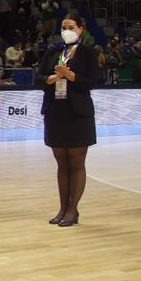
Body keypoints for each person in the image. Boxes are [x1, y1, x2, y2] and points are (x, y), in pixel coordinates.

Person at [37, 13, 99, 228]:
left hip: (78, 114)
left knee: (77, 162)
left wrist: (70, 76)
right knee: (61, 163)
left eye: (71, 26)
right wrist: (53, 78)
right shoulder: (53, 52)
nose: (66, 30)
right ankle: (63, 208)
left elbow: (93, 82)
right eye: (63, 27)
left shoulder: (89, 53)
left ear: (80, 29)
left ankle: (73, 210)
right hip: (55, 111)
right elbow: (38, 78)